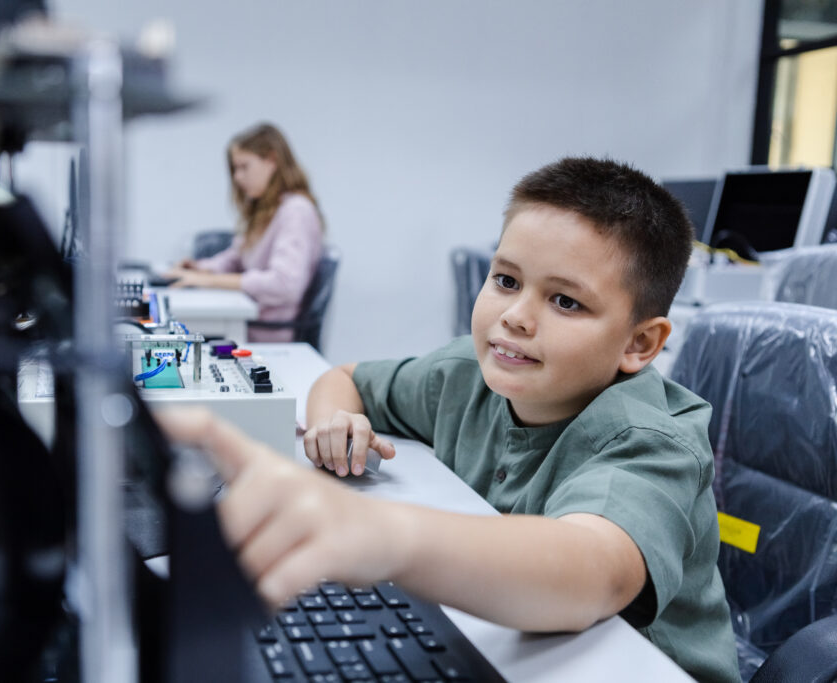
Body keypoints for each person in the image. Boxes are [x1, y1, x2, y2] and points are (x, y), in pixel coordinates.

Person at [159, 157, 740, 683]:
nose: (514, 316)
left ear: (640, 343)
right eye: (506, 280)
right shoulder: (468, 371)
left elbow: (594, 572)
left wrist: (382, 535)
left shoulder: (651, 440)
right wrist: (334, 422)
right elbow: (347, 378)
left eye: (565, 301)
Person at [163, 122, 324, 342]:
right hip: (245, 324)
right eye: (235, 169)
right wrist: (201, 269)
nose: (237, 177)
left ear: (272, 160)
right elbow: (235, 258)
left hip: (265, 333)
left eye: (244, 167)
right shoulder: (266, 210)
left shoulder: (296, 211)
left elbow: (285, 285)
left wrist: (209, 281)